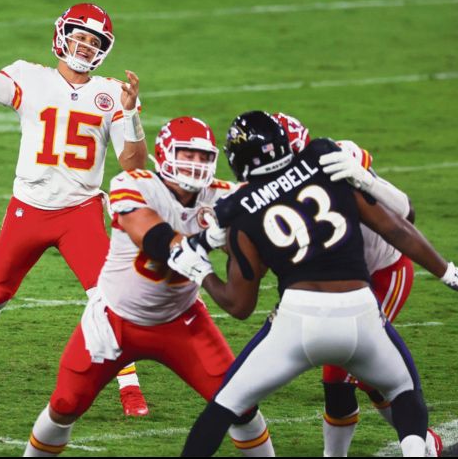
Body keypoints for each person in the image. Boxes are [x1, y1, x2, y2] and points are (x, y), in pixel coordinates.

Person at [174, 111, 458, 457]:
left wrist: (202, 272)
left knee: (223, 407)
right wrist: (449, 273)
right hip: (360, 310)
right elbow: (397, 226)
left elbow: (240, 305)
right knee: (404, 390)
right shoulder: (326, 160)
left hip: (298, 320)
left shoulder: (238, 208)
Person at [0, 3, 150, 416]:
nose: (85, 46)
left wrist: (131, 113)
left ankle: (129, 386)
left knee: (107, 299)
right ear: (61, 35)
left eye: (94, 41)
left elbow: (133, 165)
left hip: (79, 212)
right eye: (80, 36)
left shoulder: (111, 94)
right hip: (29, 209)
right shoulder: (29, 77)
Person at [23, 117, 274, 457]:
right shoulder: (135, 183)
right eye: (187, 154)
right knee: (65, 404)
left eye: (203, 157)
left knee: (241, 403)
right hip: (115, 320)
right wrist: (208, 239)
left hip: (182, 321)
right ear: (165, 153)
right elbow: (154, 239)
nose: (195, 164)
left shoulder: (223, 196)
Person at [274, 112, 441, 456]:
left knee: (339, 379)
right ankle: (424, 440)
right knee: (362, 376)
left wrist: (364, 179)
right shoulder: (276, 190)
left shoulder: (341, 160)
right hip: (341, 282)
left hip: (383, 272)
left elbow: (404, 213)